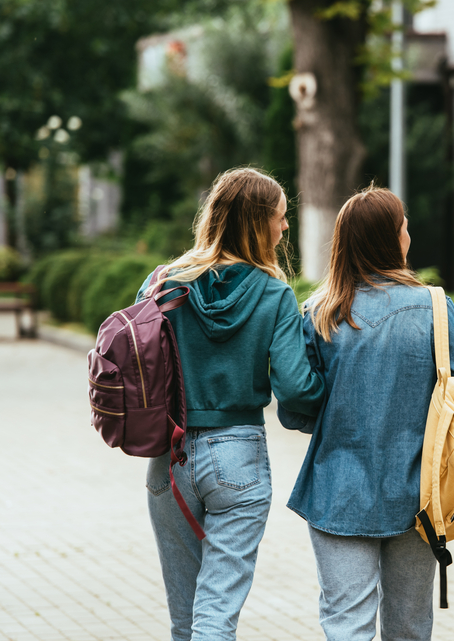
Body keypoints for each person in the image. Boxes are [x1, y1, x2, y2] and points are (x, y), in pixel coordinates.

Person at [277, 186, 454, 641]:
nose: (409, 232)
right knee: (409, 629)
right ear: (393, 239)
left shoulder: (319, 313)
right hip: (419, 496)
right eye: (403, 225)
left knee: (345, 626)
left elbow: (294, 411)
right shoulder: (435, 308)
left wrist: (337, 415)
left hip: (337, 492)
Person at [137, 167, 327, 641]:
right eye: (281, 218)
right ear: (257, 223)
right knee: (216, 612)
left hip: (169, 457)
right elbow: (298, 388)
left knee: (187, 619)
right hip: (238, 455)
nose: (285, 228)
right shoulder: (275, 294)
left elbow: (133, 361)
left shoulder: (162, 284)